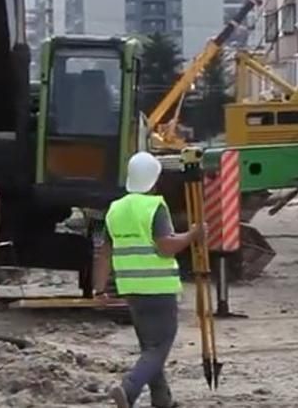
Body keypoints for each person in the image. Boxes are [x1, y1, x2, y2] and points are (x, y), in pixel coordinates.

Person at [94, 151, 205, 408]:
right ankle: (128, 388)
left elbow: (104, 253)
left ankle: (161, 399)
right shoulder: (154, 207)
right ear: (154, 179)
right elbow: (166, 246)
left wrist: (99, 289)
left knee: (150, 346)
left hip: (131, 289)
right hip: (158, 287)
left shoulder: (115, 209)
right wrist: (193, 235)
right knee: (159, 347)